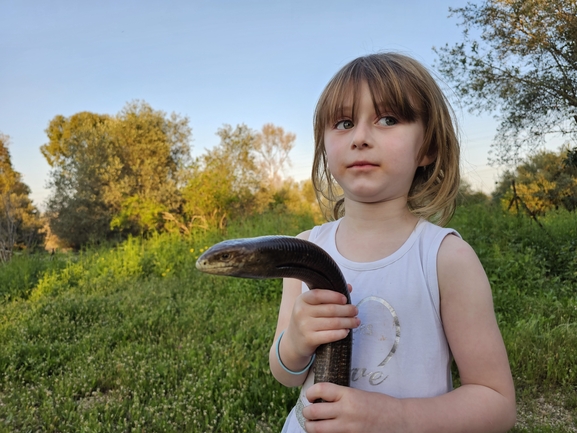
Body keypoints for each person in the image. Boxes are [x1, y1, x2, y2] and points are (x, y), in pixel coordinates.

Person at [268, 53, 516, 433]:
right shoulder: (304, 250)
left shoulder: (447, 258)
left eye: (388, 119)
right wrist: (296, 341)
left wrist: (394, 417)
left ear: (428, 147)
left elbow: (497, 402)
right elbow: (286, 374)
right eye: (344, 123)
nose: (361, 138)